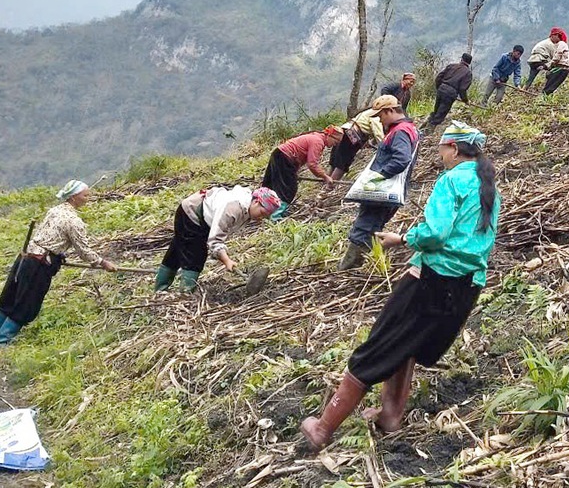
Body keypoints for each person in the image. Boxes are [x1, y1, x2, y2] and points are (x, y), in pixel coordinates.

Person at [301, 121, 499, 447]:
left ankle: (322, 428)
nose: (440, 155)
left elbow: (435, 234)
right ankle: (390, 417)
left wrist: (403, 237)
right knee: (410, 343)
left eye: (442, 149)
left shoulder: (451, 181)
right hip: (468, 284)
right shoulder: (488, 185)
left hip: (431, 279)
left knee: (380, 343)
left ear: (453, 148)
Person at [0, 180, 118, 345]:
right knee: (27, 302)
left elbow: (51, 237)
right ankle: (2, 340)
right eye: (85, 195)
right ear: (73, 197)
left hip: (26, 256)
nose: (88, 198)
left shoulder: (55, 210)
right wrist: (103, 263)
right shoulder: (73, 221)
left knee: (12, 295)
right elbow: (84, 251)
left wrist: (60, 253)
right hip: (39, 264)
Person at [340, 102, 420, 269]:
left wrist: (380, 175)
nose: (379, 120)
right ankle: (366, 264)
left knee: (363, 228)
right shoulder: (408, 128)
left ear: (390, 111)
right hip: (389, 191)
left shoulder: (400, 132)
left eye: (381, 116)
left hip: (382, 191)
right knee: (373, 227)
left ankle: (347, 268)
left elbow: (402, 159)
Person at [154, 186, 282, 292]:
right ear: (255, 202)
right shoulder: (232, 209)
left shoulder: (247, 207)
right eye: (263, 213)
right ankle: (185, 293)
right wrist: (227, 260)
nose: (262, 218)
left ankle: (160, 289)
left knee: (178, 248)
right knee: (195, 255)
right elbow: (215, 241)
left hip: (202, 217)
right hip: (191, 214)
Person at [261, 126, 342, 217]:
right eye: (335, 142)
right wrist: (325, 177)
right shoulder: (318, 141)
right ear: (329, 136)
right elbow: (312, 164)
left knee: (270, 183)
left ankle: (262, 206)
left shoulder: (315, 137)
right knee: (288, 190)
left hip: (278, 153)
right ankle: (275, 215)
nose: (335, 145)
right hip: (285, 157)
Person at [329, 96, 394, 181]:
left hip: (346, 130)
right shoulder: (377, 114)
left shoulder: (369, 111)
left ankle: (326, 181)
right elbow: (378, 133)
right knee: (342, 163)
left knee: (336, 160)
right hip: (352, 134)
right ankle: (329, 186)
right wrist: (385, 147)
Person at [425, 53, 474, 131]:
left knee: (436, 110)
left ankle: (427, 123)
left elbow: (439, 77)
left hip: (441, 89)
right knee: (441, 113)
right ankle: (428, 131)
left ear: (461, 59)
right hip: (450, 94)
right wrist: (465, 100)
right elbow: (462, 89)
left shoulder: (451, 66)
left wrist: (439, 87)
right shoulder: (468, 73)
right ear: (469, 63)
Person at [542, 30, 569, 95]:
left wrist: (547, 65)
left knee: (550, 85)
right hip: (563, 69)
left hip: (561, 68)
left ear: (557, 36)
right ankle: (546, 97)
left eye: (552, 36)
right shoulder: (561, 44)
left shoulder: (561, 43)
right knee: (552, 85)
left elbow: (557, 57)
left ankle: (544, 96)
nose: (551, 38)